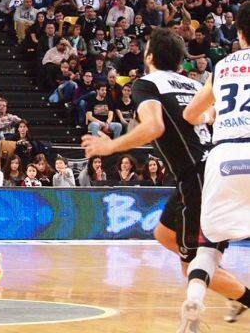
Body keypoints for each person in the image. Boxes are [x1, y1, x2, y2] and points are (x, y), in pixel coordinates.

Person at [81, 27, 250, 328]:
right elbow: (208, 115)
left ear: (149, 56)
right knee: (164, 234)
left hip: (199, 178)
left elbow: (154, 127)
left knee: (192, 265)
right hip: (207, 168)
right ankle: (223, 282)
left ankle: (238, 297)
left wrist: (110, 146)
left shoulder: (146, 84)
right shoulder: (190, 82)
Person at [179, 1, 250, 330]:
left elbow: (191, 115)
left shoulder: (222, 66)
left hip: (223, 159)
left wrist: (213, 114)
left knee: (208, 249)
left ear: (239, 32)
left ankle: (194, 299)